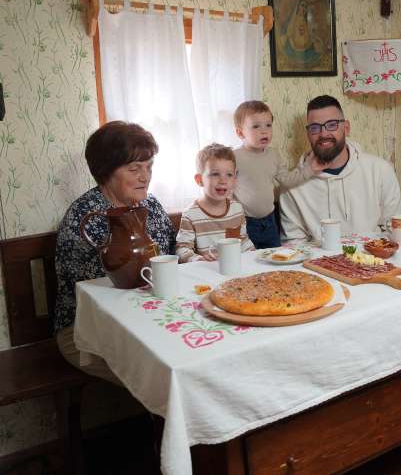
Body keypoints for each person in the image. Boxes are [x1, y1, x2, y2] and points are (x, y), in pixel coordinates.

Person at [55, 121, 176, 384]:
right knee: (162, 375)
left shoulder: (151, 206)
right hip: (87, 330)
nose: (145, 177)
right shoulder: (84, 217)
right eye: (134, 169)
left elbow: (171, 258)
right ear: (107, 172)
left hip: (147, 318)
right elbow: (101, 296)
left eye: (149, 167)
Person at [279, 95, 401, 241]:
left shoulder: (381, 170)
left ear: (346, 128)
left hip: (373, 260)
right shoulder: (292, 186)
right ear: (308, 134)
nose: (323, 134)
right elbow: (294, 246)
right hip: (317, 262)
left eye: (331, 125)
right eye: (315, 128)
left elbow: (397, 232)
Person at [233, 100, 328, 249]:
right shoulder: (234, 158)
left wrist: (310, 169)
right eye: (256, 126)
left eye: (268, 125)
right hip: (243, 222)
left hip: (270, 221)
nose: (264, 131)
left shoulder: (273, 155)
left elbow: (287, 180)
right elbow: (225, 187)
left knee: (273, 258)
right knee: (247, 262)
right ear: (240, 132)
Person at [175, 143, 254, 262]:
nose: (223, 180)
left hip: (234, 270)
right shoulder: (190, 214)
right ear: (199, 180)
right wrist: (198, 259)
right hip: (207, 272)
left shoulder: (237, 209)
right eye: (215, 174)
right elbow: (182, 249)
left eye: (229, 175)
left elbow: (243, 241)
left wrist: (253, 256)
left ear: (234, 179)